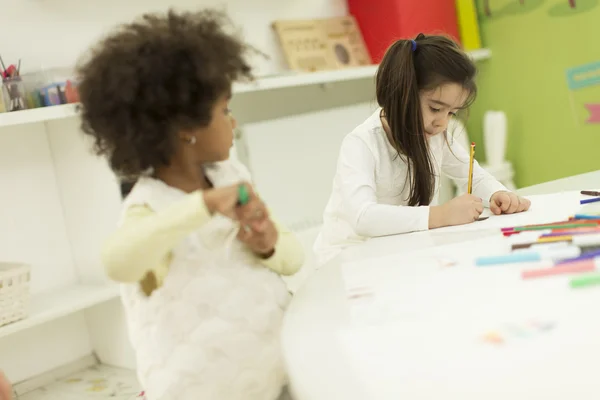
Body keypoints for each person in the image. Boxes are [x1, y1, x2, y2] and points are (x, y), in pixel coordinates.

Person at [76, 9, 304, 400]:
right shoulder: (149, 206)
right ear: (186, 129)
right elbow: (118, 262)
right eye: (224, 111)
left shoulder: (232, 176)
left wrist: (266, 242)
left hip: (272, 376)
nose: (233, 123)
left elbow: (293, 258)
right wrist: (203, 206)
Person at [314, 34, 530, 265]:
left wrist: (498, 194)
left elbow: (474, 177)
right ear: (402, 93)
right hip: (346, 261)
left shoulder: (436, 136)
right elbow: (363, 217)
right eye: (435, 108)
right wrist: (441, 215)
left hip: (398, 251)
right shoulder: (361, 143)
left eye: (451, 113)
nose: (443, 123)